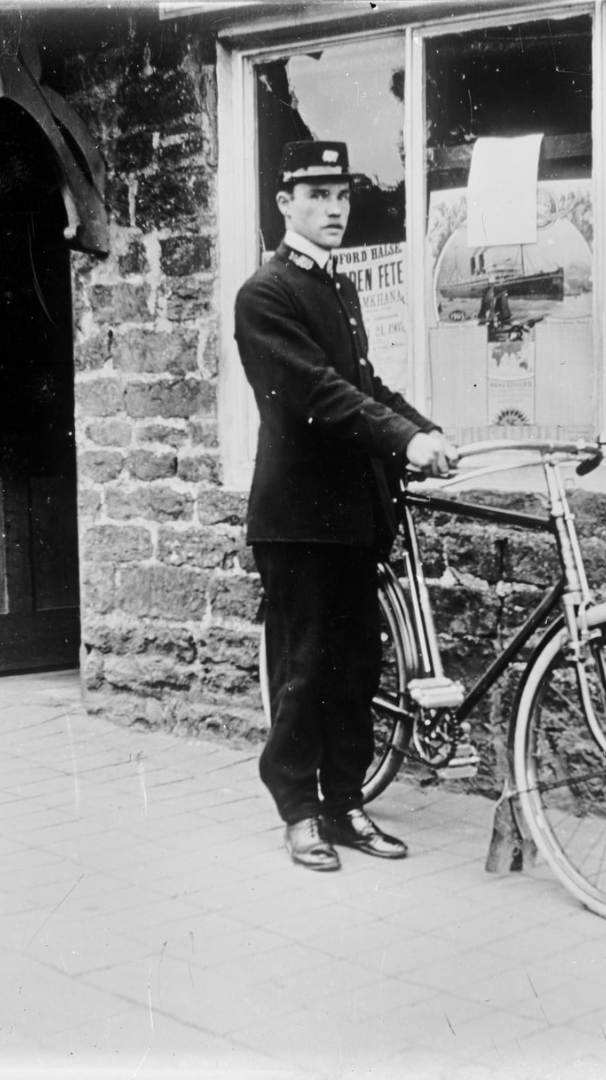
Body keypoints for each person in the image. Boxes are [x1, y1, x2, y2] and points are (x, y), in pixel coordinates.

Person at [234, 141, 459, 872]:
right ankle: (299, 811)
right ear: (285, 203)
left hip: (354, 516)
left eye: (343, 196)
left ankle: (343, 804)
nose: (335, 209)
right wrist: (402, 439)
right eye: (318, 194)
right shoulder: (266, 294)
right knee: (304, 668)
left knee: (356, 667)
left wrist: (422, 430)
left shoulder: (340, 286)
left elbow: (363, 382)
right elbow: (315, 393)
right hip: (298, 520)